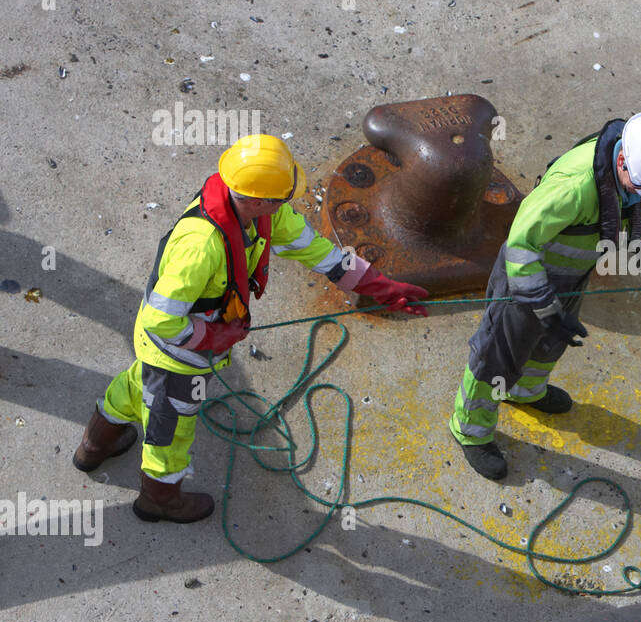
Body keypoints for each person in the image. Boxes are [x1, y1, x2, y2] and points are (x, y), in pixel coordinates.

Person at [72, 135, 428, 522]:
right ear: (260, 199)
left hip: (174, 346)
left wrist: (380, 287)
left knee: (137, 386)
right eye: (283, 198)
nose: (288, 204)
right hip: (176, 353)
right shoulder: (202, 246)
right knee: (170, 426)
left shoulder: (257, 210)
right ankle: (158, 498)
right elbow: (161, 320)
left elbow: (317, 251)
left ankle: (94, 446)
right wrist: (210, 338)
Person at [449, 111, 641, 480]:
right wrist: (541, 302)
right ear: (621, 160)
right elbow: (521, 245)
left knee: (548, 345)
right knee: (497, 358)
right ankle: (471, 430)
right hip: (525, 280)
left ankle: (525, 392)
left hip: (573, 275)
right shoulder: (573, 187)